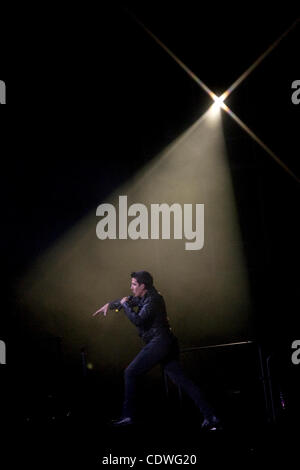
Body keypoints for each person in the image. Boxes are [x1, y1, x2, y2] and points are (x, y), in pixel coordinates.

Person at [92, 270, 222, 430]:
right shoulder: (144, 297)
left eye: (134, 284)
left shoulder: (153, 299)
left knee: (130, 372)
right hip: (164, 342)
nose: (131, 287)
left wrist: (125, 305)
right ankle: (211, 416)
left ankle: (128, 416)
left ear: (143, 286)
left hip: (159, 342)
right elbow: (127, 300)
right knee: (182, 381)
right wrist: (110, 305)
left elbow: (138, 320)